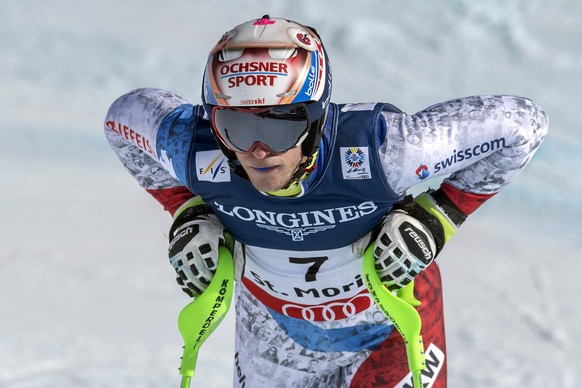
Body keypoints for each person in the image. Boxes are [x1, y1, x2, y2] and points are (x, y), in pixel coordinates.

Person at [104, 15, 548, 387]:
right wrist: (187, 208)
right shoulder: (192, 147)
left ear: (317, 117)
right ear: (212, 117)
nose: (258, 150)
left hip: (390, 333)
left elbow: (522, 124)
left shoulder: (385, 151)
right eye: (235, 127)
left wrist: (438, 216)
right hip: (276, 342)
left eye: (279, 127)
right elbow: (120, 117)